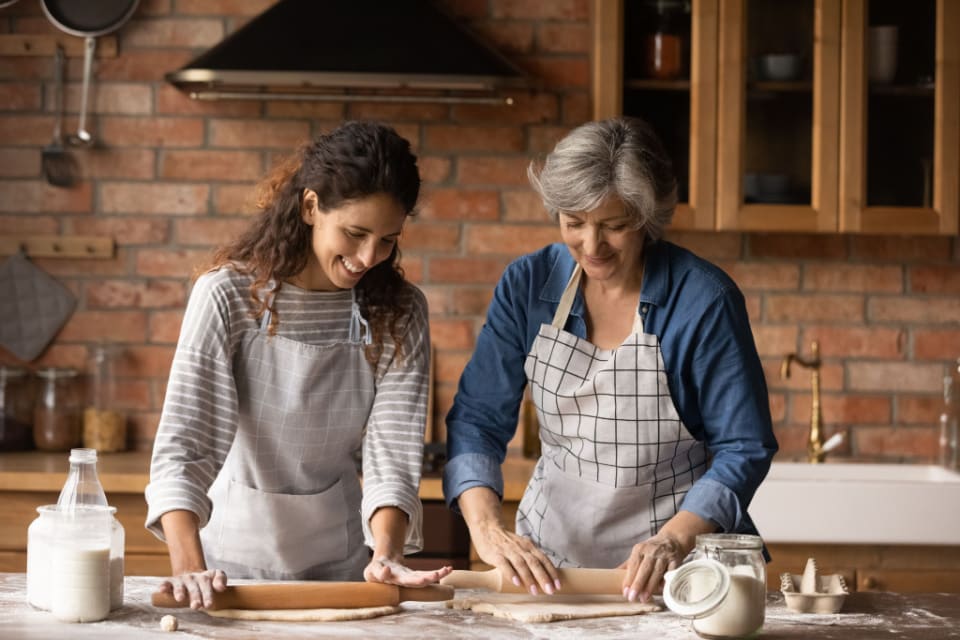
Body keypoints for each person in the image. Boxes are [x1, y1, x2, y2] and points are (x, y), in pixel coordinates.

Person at [443, 117, 778, 604]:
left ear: (647, 218)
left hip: (678, 574)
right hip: (549, 569)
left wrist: (673, 540)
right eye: (574, 223)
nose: (592, 245)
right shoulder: (528, 286)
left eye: (614, 226)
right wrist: (487, 530)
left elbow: (744, 447)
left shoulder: (704, 301)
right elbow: (477, 420)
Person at [145, 121, 451, 609]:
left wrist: (387, 552)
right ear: (311, 207)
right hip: (226, 575)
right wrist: (189, 570)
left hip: (344, 573)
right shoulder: (228, 296)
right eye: (354, 233)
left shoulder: (400, 310)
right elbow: (184, 447)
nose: (369, 257)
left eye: (388, 239)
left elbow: (391, 449)